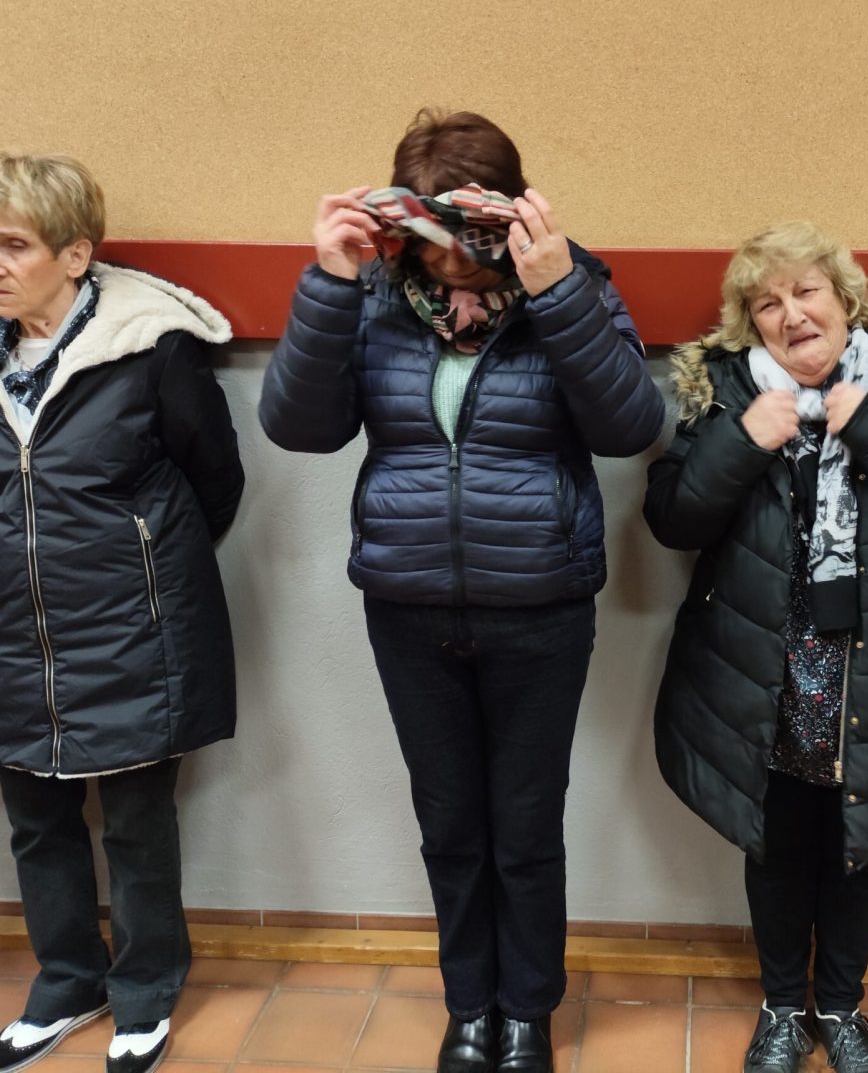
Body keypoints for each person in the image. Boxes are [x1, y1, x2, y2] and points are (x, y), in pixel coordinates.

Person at [259, 109, 664, 1073]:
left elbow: (628, 428)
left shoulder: (573, 286)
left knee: (525, 826)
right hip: (407, 605)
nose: (452, 258)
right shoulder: (374, 300)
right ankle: (469, 1008)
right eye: (432, 233)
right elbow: (299, 428)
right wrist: (328, 280)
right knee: (449, 825)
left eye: (472, 231)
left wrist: (557, 289)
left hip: (541, 606)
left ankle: (527, 1012)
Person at [645, 221, 868, 1073]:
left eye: (807, 291)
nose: (792, 314)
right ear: (751, 324)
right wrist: (743, 439)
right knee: (774, 844)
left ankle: (840, 1009)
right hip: (760, 670)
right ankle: (781, 1009)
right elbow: (671, 517)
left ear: (847, 301)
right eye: (767, 303)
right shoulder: (726, 392)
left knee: (860, 845)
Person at [0, 153, 244, 1073]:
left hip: (132, 627)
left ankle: (145, 989)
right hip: (6, 628)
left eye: (14, 244)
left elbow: (214, 481)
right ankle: (68, 980)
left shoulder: (152, 350)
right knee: (36, 822)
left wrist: (140, 561)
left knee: (138, 823)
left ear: (75, 255)